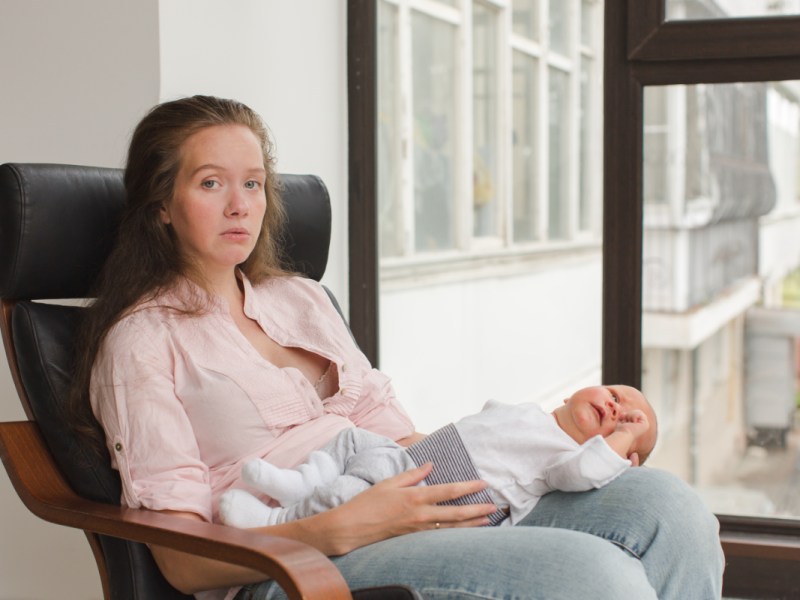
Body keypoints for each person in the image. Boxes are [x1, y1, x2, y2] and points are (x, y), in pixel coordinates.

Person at [73, 94, 724, 600]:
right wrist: (343, 525)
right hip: (292, 562)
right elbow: (182, 561)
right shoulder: (141, 341)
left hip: (401, 497)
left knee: (672, 513)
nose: (240, 206)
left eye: (253, 183)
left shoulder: (298, 298)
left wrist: (516, 451)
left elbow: (399, 438)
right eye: (211, 183)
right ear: (161, 205)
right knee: (597, 578)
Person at [220, 387, 656, 528]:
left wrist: (621, 440)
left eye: (623, 421)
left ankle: (278, 522)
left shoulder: (566, 458)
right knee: (352, 439)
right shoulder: (530, 412)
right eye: (614, 395)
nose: (615, 409)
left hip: (432, 495)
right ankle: (302, 482)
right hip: (418, 456)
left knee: (350, 493)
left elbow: (588, 471)